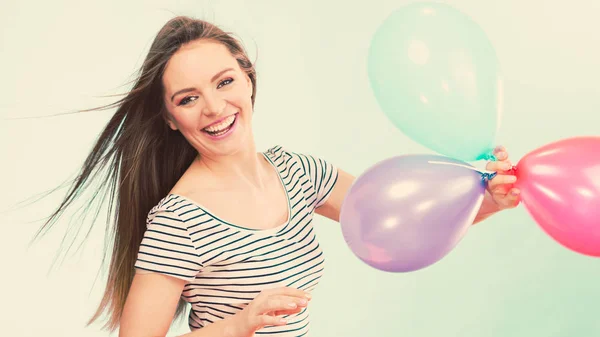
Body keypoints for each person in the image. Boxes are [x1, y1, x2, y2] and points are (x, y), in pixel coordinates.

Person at [35, 16, 520, 337]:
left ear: (247, 77)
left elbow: (402, 226)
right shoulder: (178, 221)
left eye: (224, 82)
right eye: (187, 98)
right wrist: (239, 323)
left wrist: (493, 200)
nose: (214, 108)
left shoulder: (299, 172)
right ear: (169, 118)